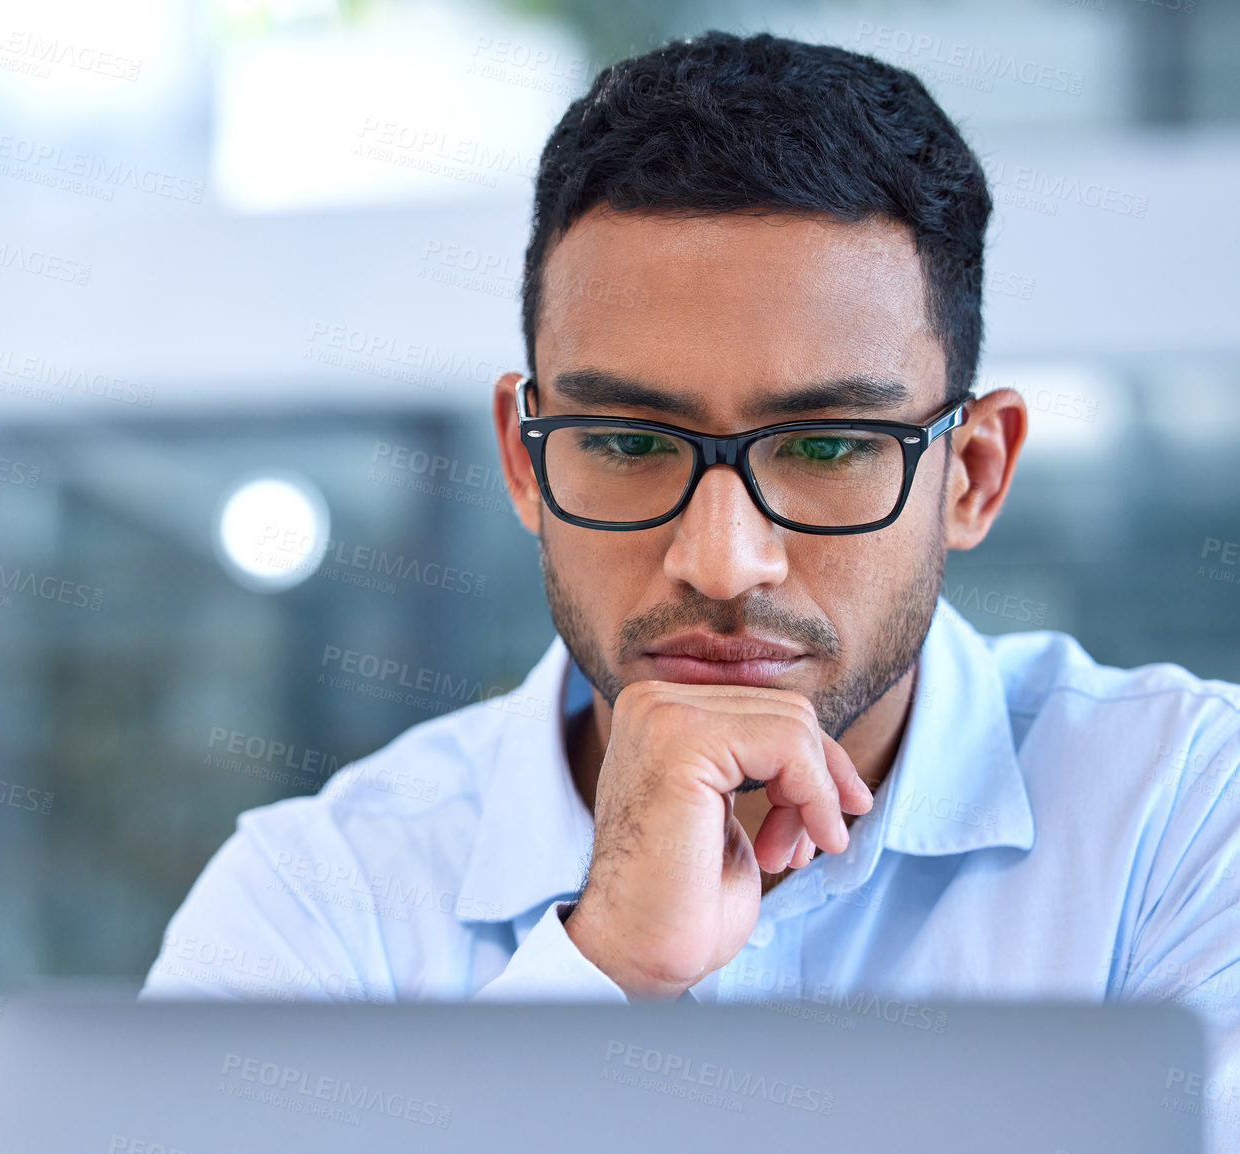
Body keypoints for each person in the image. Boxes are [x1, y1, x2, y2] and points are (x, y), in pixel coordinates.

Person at [142, 29, 1239, 1141]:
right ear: (526, 462)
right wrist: (597, 970)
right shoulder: (316, 897)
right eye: (626, 441)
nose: (720, 558)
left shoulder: (1187, 813)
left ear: (975, 473)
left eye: (824, 447)